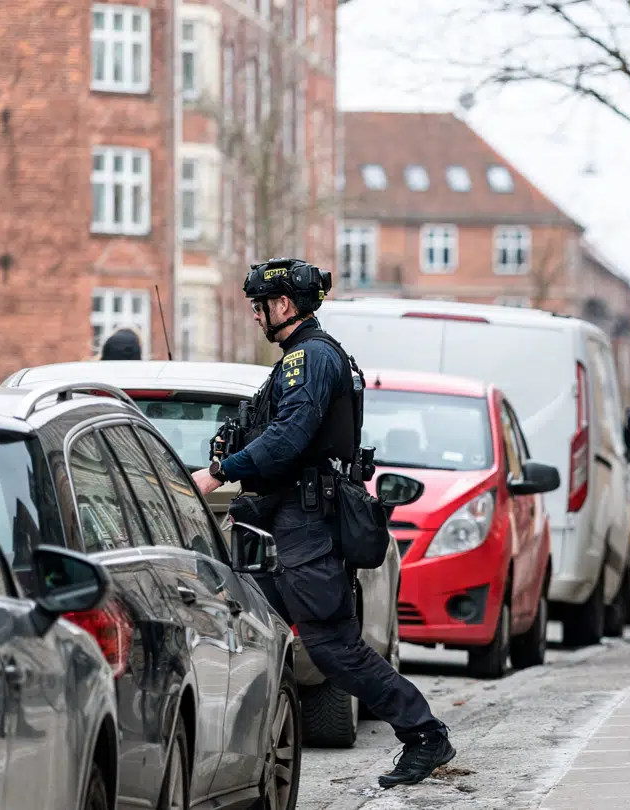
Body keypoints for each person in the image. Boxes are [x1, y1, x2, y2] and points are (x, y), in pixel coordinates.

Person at [190, 257, 455, 788]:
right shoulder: (306, 357)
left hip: (307, 526)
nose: (256, 317)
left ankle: (424, 734)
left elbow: (289, 439)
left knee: (333, 646)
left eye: (260, 307)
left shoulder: (308, 359)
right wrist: (235, 437)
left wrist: (219, 472)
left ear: (283, 305)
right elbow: (282, 428)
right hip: (291, 524)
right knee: (245, 613)